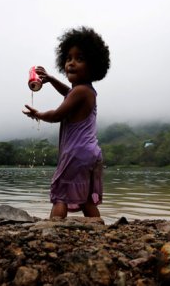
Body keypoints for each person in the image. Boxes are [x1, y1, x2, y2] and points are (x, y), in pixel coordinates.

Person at [22, 27, 110, 219]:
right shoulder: (85, 91)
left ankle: (54, 228)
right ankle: (98, 228)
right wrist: (52, 79)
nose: (71, 63)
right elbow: (68, 93)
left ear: (93, 66)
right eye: (69, 58)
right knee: (86, 197)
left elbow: (56, 115)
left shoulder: (79, 92)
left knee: (60, 194)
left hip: (76, 152)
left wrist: (39, 114)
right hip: (90, 153)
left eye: (79, 59)